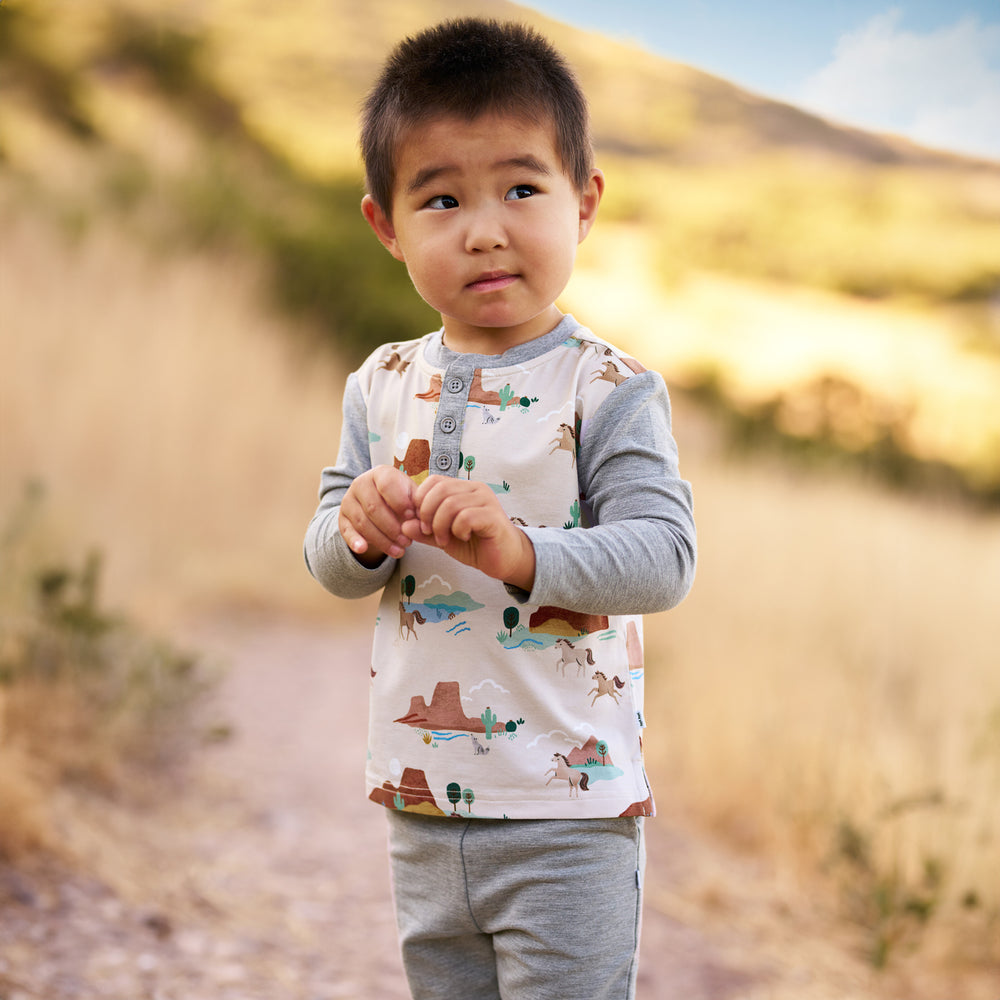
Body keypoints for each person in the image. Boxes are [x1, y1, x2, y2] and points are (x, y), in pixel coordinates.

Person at [304, 17, 696, 1000]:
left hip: (566, 810)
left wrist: (520, 550)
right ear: (386, 226)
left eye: (522, 188)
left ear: (584, 202)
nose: (484, 227)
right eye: (441, 198)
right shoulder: (379, 383)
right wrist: (358, 528)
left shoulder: (608, 389)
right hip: (421, 801)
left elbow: (662, 557)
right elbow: (324, 547)